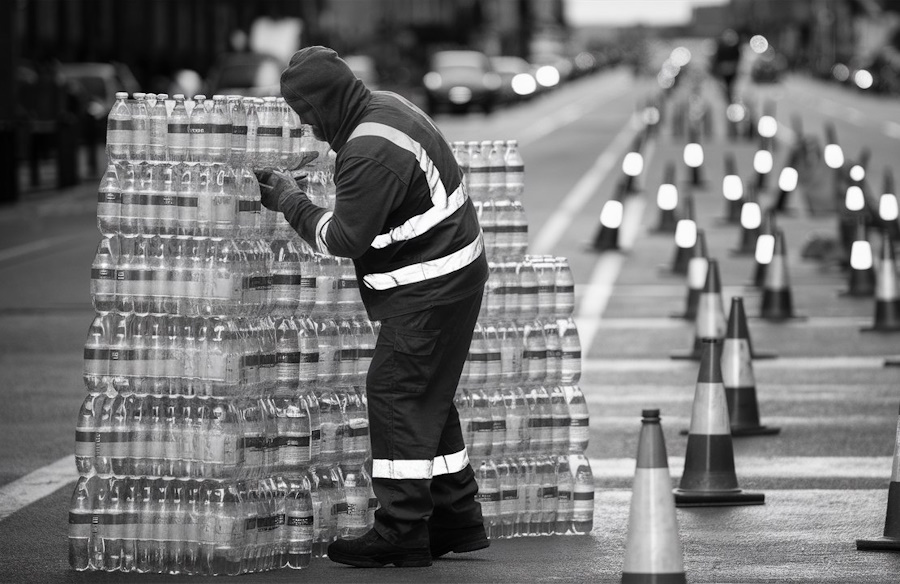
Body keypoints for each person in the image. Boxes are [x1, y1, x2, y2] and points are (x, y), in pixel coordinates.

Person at [255, 46, 490, 568]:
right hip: (450, 275)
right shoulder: (383, 110)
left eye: (307, 114)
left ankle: (401, 529)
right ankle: (455, 515)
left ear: (325, 101)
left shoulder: (368, 150)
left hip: (430, 286)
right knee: (427, 395)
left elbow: (345, 237)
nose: (308, 127)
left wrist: (290, 200)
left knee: (395, 392)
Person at [712, 29, 742, 103]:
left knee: (733, 89)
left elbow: (737, 61)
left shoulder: (736, 49)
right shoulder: (720, 48)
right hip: (722, 74)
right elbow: (717, 61)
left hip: (732, 74)